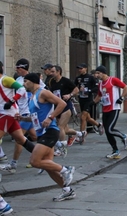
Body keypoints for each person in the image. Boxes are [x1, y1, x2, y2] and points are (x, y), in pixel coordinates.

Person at [22, 73, 76, 202]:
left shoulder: (43, 92)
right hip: (41, 133)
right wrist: (22, 118)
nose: (24, 84)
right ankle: (67, 191)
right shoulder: (32, 96)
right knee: (48, 166)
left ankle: (66, 169)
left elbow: (62, 103)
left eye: (26, 81)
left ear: (33, 82)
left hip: (50, 131)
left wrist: (51, 117)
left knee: (34, 161)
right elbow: (36, 117)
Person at [0, 58, 38, 173]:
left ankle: (2, 159)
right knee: (21, 139)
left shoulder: (5, 80)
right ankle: (43, 157)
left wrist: (12, 101)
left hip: (7, 114)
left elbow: (21, 89)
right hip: (6, 113)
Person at [92, 66, 127, 158]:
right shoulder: (101, 84)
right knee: (108, 132)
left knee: (109, 129)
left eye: (98, 73)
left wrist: (121, 98)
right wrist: (91, 103)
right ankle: (115, 151)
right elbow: (99, 96)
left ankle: (124, 136)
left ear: (103, 73)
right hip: (105, 109)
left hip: (114, 108)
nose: (96, 75)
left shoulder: (113, 80)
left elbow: (126, 87)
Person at [48, 65, 85, 152]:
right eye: (50, 71)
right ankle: (80, 134)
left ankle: (61, 148)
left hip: (66, 106)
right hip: (57, 107)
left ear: (58, 72)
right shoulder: (51, 82)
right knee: (66, 130)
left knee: (60, 127)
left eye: (53, 71)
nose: (51, 73)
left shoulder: (65, 81)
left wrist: (69, 95)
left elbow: (76, 89)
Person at [74, 63, 103, 136]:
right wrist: (77, 90)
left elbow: (96, 88)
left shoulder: (91, 77)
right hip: (81, 99)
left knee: (83, 117)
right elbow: (74, 87)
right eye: (79, 69)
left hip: (88, 99)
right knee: (88, 118)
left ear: (85, 69)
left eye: (81, 68)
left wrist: (88, 90)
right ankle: (99, 125)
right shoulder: (78, 78)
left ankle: (81, 135)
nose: (79, 70)